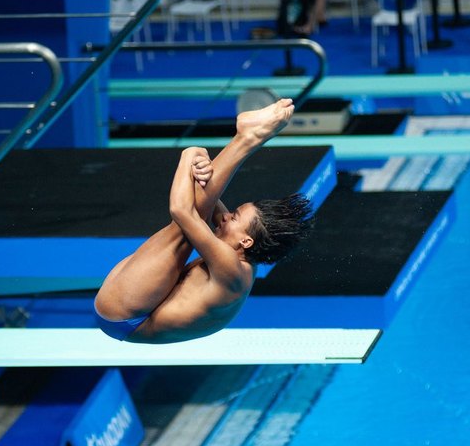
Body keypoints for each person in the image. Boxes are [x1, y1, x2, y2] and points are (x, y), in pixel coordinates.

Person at [94, 99, 314, 344]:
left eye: (234, 217)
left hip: (125, 316)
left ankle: (249, 138)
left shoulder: (231, 268)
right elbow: (209, 199)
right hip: (141, 306)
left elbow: (181, 210)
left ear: (246, 241)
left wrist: (190, 155)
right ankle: (249, 137)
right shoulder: (242, 255)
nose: (226, 216)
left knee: (183, 230)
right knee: (199, 213)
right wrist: (201, 168)